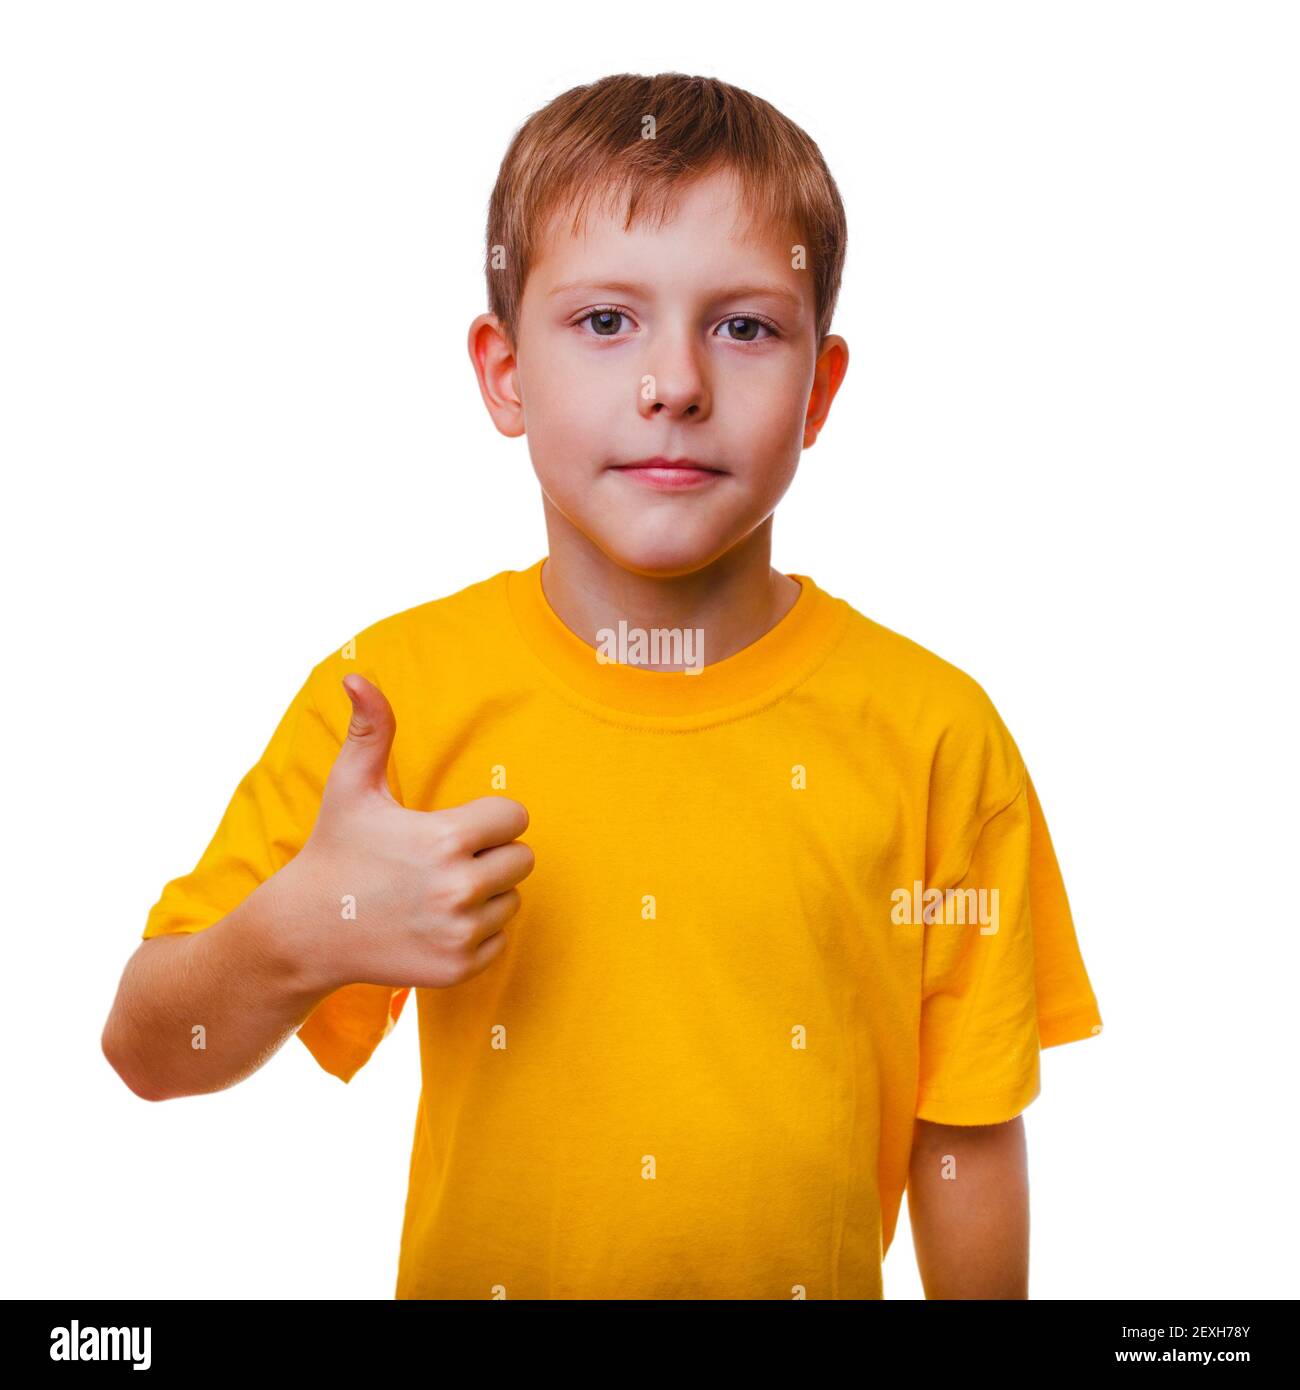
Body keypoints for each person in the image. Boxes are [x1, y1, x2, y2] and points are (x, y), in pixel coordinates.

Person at [102, 71, 1103, 1300]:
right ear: (504, 373)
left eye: (743, 326)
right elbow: (151, 1049)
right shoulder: (393, 701)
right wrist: (309, 927)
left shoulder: (937, 734)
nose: (673, 383)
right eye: (605, 321)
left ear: (820, 389)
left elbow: (967, 1123)